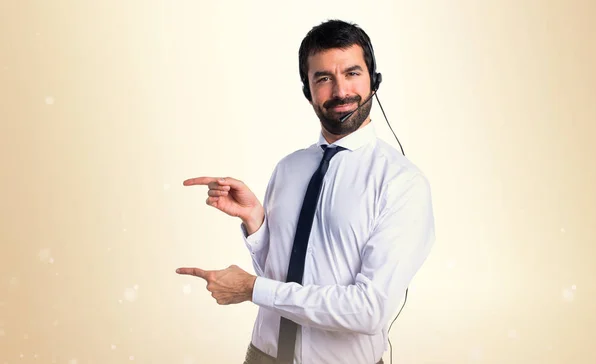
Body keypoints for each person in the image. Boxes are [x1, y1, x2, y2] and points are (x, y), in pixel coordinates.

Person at [176, 19, 436, 364]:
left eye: (353, 73)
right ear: (307, 90)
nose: (341, 91)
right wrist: (257, 223)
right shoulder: (289, 168)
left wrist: (252, 288)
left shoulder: (402, 183)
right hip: (262, 357)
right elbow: (281, 275)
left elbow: (369, 311)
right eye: (324, 78)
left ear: (374, 81)